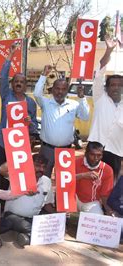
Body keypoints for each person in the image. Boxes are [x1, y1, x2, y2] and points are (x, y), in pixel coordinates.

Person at [0, 42, 38, 206]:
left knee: (17, 175)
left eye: (22, 81)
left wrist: (29, 122)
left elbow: (34, 126)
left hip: (20, 146)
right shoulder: (6, 95)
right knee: (1, 174)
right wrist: (10, 55)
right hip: (3, 142)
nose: (19, 83)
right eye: (16, 81)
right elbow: (3, 77)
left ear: (26, 85)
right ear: (12, 84)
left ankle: (13, 206)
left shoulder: (31, 103)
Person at [34, 65, 89, 177]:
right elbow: (36, 94)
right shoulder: (45, 103)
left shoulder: (74, 104)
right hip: (47, 150)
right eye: (57, 88)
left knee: (64, 181)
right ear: (53, 90)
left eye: (63, 89)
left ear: (67, 91)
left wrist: (82, 98)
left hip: (66, 150)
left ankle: (58, 196)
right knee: (43, 179)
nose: (60, 92)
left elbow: (85, 116)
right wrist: (44, 75)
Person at [0, 154, 55, 247]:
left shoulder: (46, 181)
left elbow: (47, 204)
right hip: (12, 216)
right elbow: (1, 169)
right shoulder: (19, 175)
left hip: (33, 218)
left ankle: (27, 238)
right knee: (27, 226)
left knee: (52, 227)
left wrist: (58, 213)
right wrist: (18, 156)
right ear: (29, 164)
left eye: (43, 167)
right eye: (37, 166)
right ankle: (29, 235)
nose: (41, 169)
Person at [88, 38, 123, 181]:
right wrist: (109, 50)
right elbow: (99, 73)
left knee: (109, 184)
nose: (115, 88)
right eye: (112, 85)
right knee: (90, 181)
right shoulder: (99, 98)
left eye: (119, 85)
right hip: (95, 149)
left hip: (116, 151)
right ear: (106, 88)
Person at [75, 141, 115, 215]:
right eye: (92, 154)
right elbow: (63, 180)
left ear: (102, 155)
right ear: (86, 153)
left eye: (99, 155)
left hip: (92, 202)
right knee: (65, 214)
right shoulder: (75, 163)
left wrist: (108, 211)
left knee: (96, 222)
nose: (95, 158)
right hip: (74, 198)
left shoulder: (107, 170)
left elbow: (105, 194)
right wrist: (82, 175)